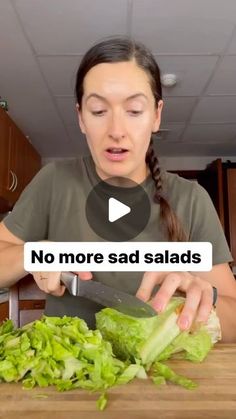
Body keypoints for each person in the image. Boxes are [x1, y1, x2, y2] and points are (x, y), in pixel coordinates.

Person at [0, 36, 236, 341]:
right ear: (81, 118)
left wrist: (207, 302)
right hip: (69, 377)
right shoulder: (54, 181)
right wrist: (34, 254)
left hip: (163, 380)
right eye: (99, 111)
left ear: (156, 115)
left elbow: (233, 319)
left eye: (134, 111)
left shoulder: (190, 199)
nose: (116, 132)